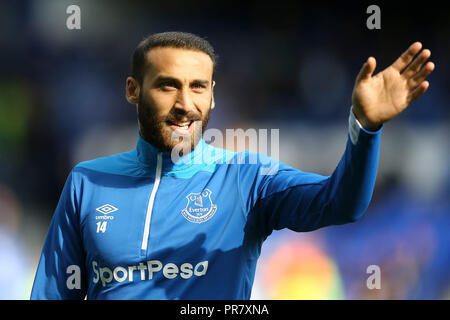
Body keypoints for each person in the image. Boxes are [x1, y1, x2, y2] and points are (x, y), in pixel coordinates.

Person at [30, 32, 434, 299]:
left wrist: (364, 127)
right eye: (168, 85)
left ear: (213, 96)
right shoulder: (87, 182)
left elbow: (342, 203)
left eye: (198, 87)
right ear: (133, 90)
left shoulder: (247, 179)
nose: (185, 104)